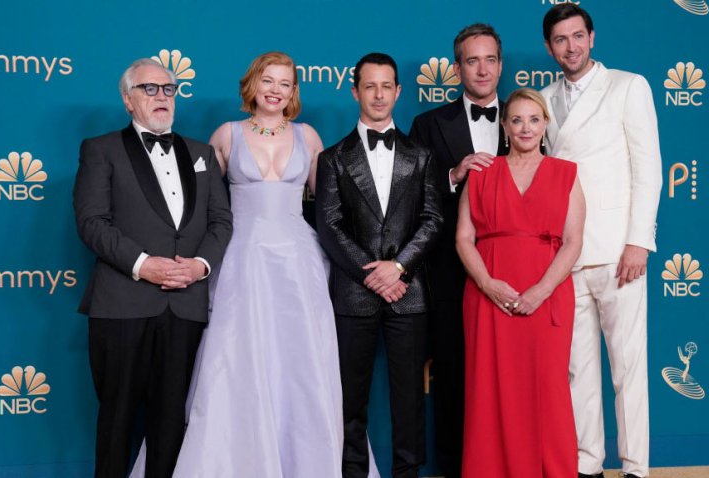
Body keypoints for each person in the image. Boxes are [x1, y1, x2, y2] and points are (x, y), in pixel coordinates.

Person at [163, 51, 344, 477]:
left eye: (285, 83)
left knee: (299, 362)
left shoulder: (309, 137)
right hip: (242, 259)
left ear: (294, 90)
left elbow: (328, 209)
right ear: (253, 84)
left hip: (298, 262)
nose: (276, 90)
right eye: (269, 81)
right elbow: (203, 205)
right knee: (237, 356)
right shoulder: (226, 134)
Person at [73, 58, 233, 478]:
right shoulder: (101, 149)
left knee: (170, 423)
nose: (162, 97)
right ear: (128, 100)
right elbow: (92, 222)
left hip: (185, 307)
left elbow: (221, 222)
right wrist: (143, 266)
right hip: (122, 306)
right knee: (118, 422)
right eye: (150, 89)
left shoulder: (202, 153)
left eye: (169, 89)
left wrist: (199, 266)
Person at [540, 4, 663, 478]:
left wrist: (638, 241)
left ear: (592, 38)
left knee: (628, 367)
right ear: (550, 48)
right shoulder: (544, 99)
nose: (570, 47)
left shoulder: (628, 86)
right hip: (565, 253)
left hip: (616, 251)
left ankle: (635, 467)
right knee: (578, 370)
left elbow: (648, 168)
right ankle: (586, 463)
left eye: (577, 36)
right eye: (560, 40)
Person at [316, 52, 443, 478]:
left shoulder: (421, 154)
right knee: (349, 399)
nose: (378, 95)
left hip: (409, 293)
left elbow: (432, 219)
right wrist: (375, 273)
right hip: (355, 293)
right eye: (369, 86)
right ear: (355, 91)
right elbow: (330, 226)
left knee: (409, 400)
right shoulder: (333, 158)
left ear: (398, 91)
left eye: (386, 86)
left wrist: (400, 268)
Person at [456, 87, 585, 478]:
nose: (525, 128)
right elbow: (463, 238)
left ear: (545, 124)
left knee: (548, 392)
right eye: (516, 120)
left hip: (547, 297)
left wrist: (541, 291)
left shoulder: (566, 174)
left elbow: (574, 241)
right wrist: (488, 284)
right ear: (505, 126)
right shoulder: (481, 174)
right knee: (490, 390)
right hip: (487, 295)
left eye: (534, 119)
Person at [408, 24, 507, 477]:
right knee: (454, 380)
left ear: (501, 65)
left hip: (517, 271)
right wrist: (453, 174)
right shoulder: (428, 125)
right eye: (472, 60)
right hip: (450, 274)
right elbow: (409, 197)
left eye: (489, 59)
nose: (482, 69)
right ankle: (455, 469)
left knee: (512, 381)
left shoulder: (529, 116)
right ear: (456, 68)